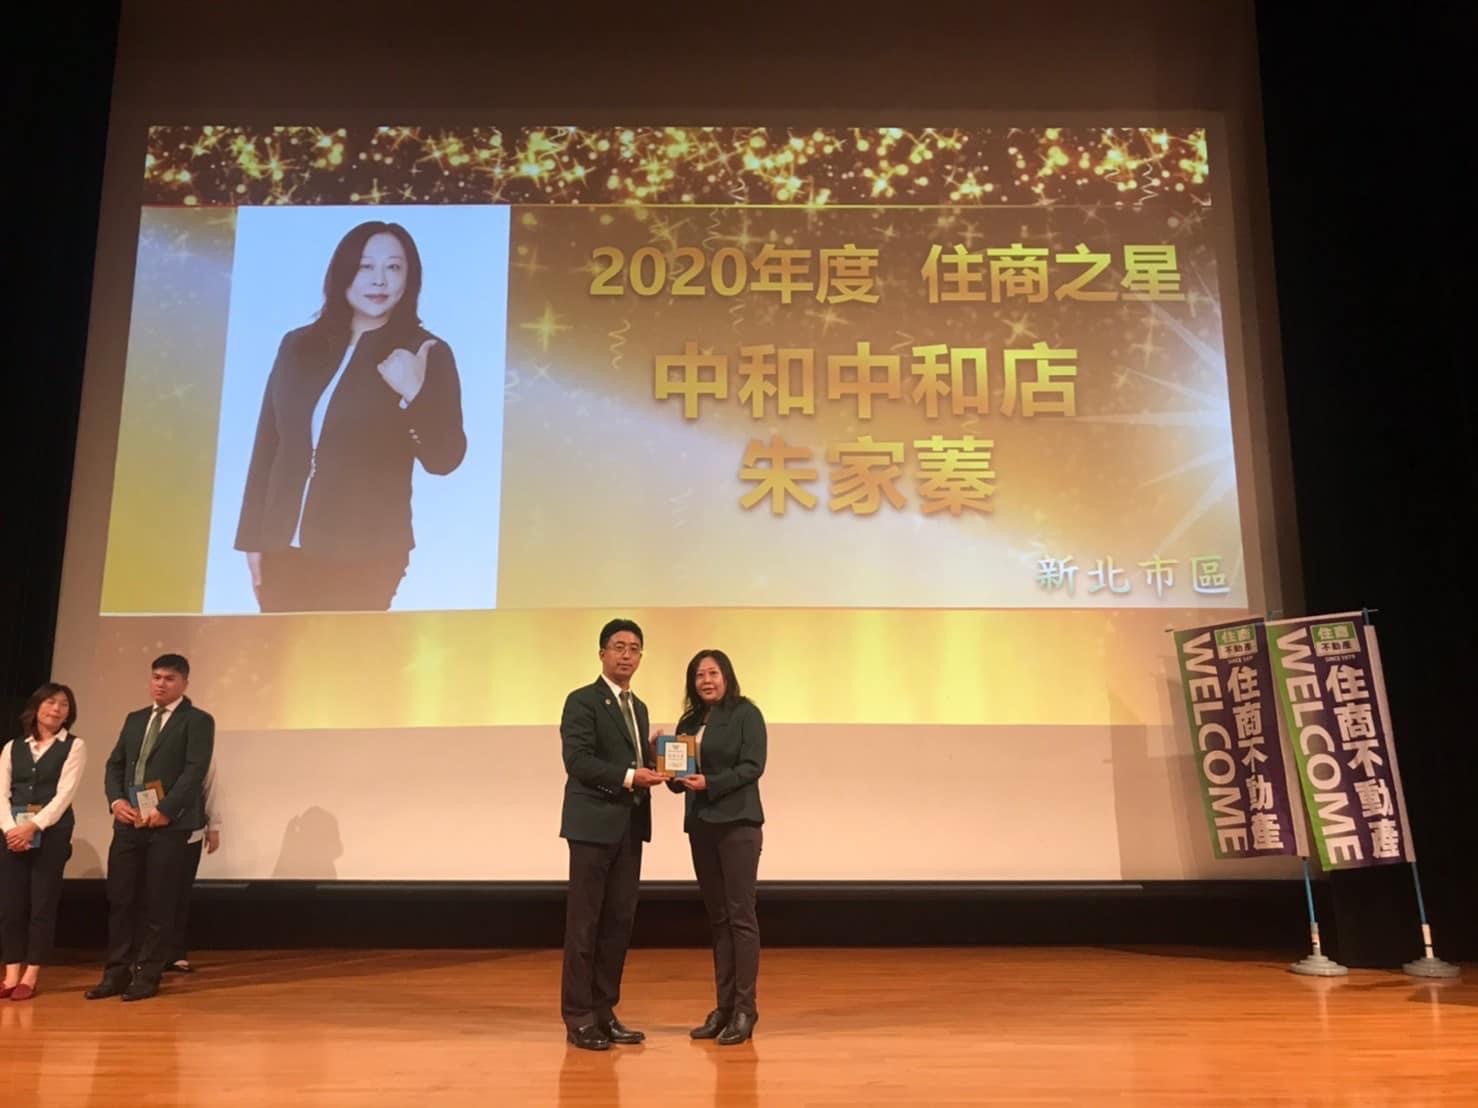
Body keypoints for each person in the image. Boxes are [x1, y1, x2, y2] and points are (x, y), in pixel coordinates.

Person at [234, 220, 467, 612]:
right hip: (281, 547)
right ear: (343, 272)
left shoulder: (426, 352)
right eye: (365, 266)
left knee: (348, 651)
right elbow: (268, 444)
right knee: (282, 651)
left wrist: (414, 393)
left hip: (368, 554)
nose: (379, 280)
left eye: (394, 267)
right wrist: (252, 537)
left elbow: (444, 458)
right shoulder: (298, 345)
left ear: (410, 278)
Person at [558, 619, 667, 1051]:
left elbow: (632, 761)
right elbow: (578, 760)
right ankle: (579, 1017)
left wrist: (653, 756)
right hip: (591, 825)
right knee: (584, 924)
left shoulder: (638, 707)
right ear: (602, 653)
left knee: (618, 923)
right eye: (619, 646)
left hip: (629, 826)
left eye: (634, 648)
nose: (626, 655)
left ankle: (605, 1011)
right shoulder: (582, 700)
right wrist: (629, 775)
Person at [87, 654, 214, 1002]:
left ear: (184, 683)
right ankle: (116, 973)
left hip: (169, 825)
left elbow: (195, 771)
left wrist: (166, 809)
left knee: (159, 902)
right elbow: (114, 765)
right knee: (122, 899)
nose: (161, 683)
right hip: (130, 821)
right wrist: (116, 801)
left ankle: (147, 975)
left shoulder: (197, 720)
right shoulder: (136, 718)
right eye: (156, 677)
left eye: (169, 678)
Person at [666, 649, 767, 1045]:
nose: (706, 681)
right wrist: (664, 761)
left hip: (738, 824)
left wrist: (712, 782)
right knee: (719, 918)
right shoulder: (689, 721)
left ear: (727, 676)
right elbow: (679, 780)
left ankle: (745, 1009)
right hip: (702, 826)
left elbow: (753, 766)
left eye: (713, 673)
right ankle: (723, 1008)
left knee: (741, 916)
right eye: (699, 675)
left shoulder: (746, 714)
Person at [0, 683, 86, 1002]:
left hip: (51, 834)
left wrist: (33, 827)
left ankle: (31, 974)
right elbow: (2, 793)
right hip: (12, 835)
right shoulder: (13, 747)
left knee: (42, 904)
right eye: (50, 702)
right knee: (11, 906)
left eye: (64, 704)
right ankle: (10, 973)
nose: (57, 709)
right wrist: (12, 830)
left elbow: (65, 794)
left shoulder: (74, 746)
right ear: (36, 707)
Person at [166, 756, 219, 973]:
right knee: (153, 893)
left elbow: (211, 787)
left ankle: (176, 952)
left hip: (190, 831)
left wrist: (213, 826)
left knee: (180, 893)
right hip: (154, 830)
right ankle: (149, 952)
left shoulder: (202, 753)